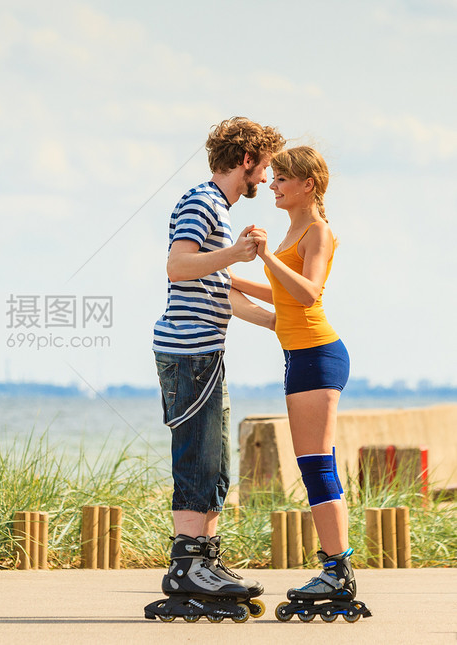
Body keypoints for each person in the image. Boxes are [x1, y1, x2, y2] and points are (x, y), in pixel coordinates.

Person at [147, 117, 284, 622]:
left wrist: (280, 325)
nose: (266, 178)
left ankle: (206, 561)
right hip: (188, 353)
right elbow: (178, 267)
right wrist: (236, 252)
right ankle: (186, 566)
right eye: (264, 166)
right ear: (245, 160)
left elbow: (221, 292)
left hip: (207, 351)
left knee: (216, 467)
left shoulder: (219, 211)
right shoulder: (200, 202)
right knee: (197, 461)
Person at [231, 145, 371, 622]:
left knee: (315, 465)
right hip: (299, 356)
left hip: (317, 355)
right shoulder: (295, 229)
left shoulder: (318, 231)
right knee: (316, 462)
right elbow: (284, 300)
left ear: (307, 184)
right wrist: (232, 280)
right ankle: (336, 569)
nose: (272, 185)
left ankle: (337, 572)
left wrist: (266, 255)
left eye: (281, 179)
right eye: (272, 179)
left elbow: (309, 294)